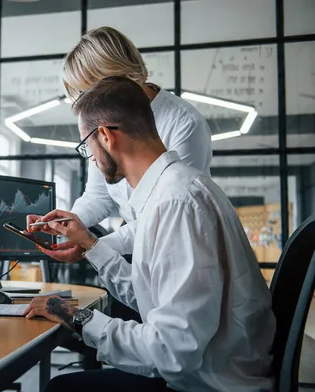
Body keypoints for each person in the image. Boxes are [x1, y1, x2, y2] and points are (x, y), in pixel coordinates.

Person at [24, 76, 275, 392]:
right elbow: (152, 297)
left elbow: (171, 350)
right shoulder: (173, 191)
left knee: (60, 389)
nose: (92, 160)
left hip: (208, 384)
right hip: (209, 370)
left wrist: (75, 316)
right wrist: (89, 245)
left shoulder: (175, 203)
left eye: (86, 147)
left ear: (105, 136)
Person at [27, 26, 212, 264]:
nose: (87, 104)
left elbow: (170, 215)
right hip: (136, 240)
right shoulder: (105, 123)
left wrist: (92, 246)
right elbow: (98, 196)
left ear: (114, 76)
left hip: (181, 247)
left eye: (87, 91)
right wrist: (67, 224)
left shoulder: (184, 122)